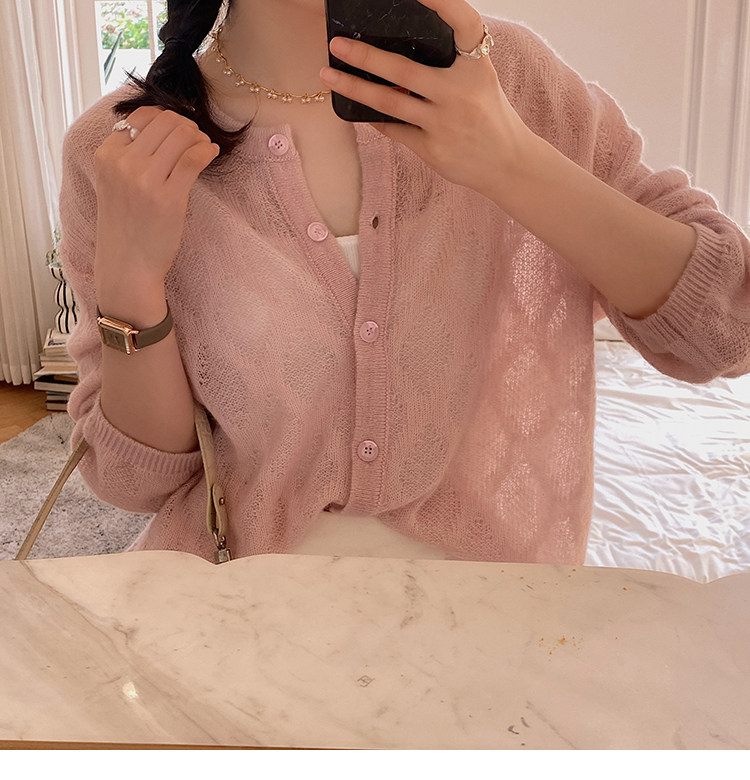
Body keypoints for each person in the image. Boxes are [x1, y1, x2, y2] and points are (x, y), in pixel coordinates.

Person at [59, 0, 750, 564]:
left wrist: (510, 159)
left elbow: (726, 332)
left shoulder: (510, 81)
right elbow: (134, 482)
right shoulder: (119, 151)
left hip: (497, 634)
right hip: (242, 631)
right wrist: (132, 280)